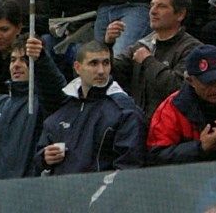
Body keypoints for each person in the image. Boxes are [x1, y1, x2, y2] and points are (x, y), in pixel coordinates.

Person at [35, 41, 144, 175]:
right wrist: (44, 157)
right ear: (77, 67)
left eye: (106, 63)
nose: (101, 71)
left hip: (103, 194)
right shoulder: (65, 106)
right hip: (63, 193)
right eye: (93, 63)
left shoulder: (124, 110)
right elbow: (40, 156)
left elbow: (129, 168)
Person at [147, 44, 216, 164]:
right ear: (190, 81)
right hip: (191, 179)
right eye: (207, 83)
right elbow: (155, 156)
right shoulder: (172, 109)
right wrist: (200, 148)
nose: (215, 89)